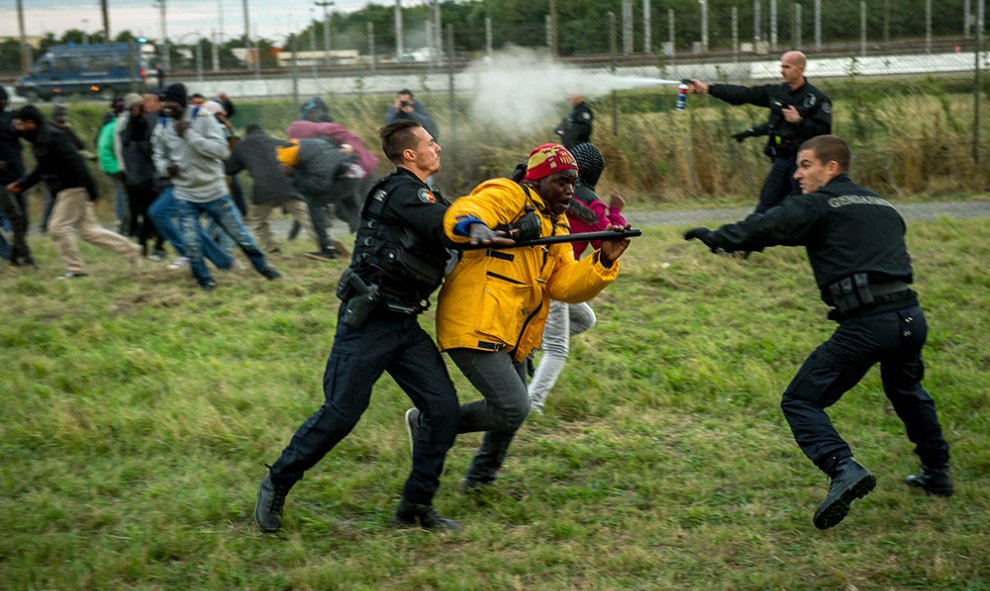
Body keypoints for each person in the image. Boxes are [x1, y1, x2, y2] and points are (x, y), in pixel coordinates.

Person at [683, 135, 953, 530]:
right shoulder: (882, 204)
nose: (797, 174)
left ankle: (842, 467)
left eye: (806, 165)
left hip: (868, 324)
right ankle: (938, 472)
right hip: (910, 318)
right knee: (908, 392)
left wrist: (719, 237)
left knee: (800, 400)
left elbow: (769, 224)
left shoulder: (820, 204)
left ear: (832, 167)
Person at [254, 120, 461, 532]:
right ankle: (277, 482)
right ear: (409, 155)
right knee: (341, 414)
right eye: (429, 142)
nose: (437, 146)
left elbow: (455, 230)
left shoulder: (425, 195)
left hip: (403, 323)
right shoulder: (402, 191)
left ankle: (415, 507)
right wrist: (483, 227)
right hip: (369, 321)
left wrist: (508, 228)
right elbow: (451, 226)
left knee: (442, 409)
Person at [420, 143, 631, 491]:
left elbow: (564, 285)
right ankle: (431, 423)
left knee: (511, 413)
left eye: (574, 182)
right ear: (537, 179)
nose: (570, 190)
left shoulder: (557, 222)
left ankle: (479, 481)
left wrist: (603, 262)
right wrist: (473, 227)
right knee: (514, 408)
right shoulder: (507, 193)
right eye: (562, 181)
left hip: (514, 330)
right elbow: (469, 208)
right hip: (475, 321)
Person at [527, 142, 626, 414]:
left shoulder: (548, 191)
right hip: (555, 276)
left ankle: (529, 348)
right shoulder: (590, 201)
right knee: (558, 349)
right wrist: (614, 210)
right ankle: (531, 405)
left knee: (585, 319)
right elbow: (606, 238)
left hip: (534, 270)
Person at [151, 82, 280, 290]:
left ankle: (264, 268)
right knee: (192, 244)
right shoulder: (162, 126)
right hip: (185, 195)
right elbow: (158, 155)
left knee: (241, 237)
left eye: (171, 102)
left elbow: (222, 151)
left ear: (181, 102)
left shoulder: (203, 118)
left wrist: (190, 135)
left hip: (215, 192)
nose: (166, 106)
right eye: (164, 101)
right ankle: (205, 281)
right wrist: (166, 168)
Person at [686, 51, 832, 214]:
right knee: (766, 203)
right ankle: (753, 235)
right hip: (781, 158)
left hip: (803, 162)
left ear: (800, 68)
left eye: (787, 67)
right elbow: (744, 94)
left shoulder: (817, 98)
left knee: (800, 206)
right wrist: (708, 88)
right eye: (781, 66)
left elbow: (824, 133)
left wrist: (799, 121)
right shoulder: (776, 92)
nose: (782, 71)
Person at [7, 105, 141, 278]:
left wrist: (93, 191)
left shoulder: (53, 137)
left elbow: (77, 163)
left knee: (58, 228)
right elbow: (42, 168)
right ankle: (132, 251)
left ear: (30, 123)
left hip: (73, 188)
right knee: (89, 231)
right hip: (67, 188)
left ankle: (76, 270)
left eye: (20, 124)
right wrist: (22, 185)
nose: (18, 129)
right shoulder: (38, 139)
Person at [225, 123, 317, 256]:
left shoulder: (242, 146)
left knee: (258, 221)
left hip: (263, 190)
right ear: (262, 132)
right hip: (286, 186)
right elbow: (295, 156)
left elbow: (230, 169)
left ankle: (273, 249)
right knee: (305, 218)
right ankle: (325, 243)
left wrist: (231, 153)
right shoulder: (277, 142)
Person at [275, 136, 360, 260]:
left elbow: (319, 186)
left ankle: (327, 250)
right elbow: (328, 141)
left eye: (287, 165)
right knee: (352, 210)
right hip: (350, 172)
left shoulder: (315, 164)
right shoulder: (305, 146)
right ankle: (368, 238)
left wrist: (294, 175)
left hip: (346, 179)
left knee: (314, 205)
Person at [120, 93, 167, 260]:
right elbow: (151, 149)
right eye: (146, 101)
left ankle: (144, 246)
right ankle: (156, 247)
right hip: (148, 177)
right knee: (155, 213)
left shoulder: (132, 124)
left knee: (146, 213)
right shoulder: (150, 122)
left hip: (136, 177)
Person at [0, 85, 33, 267]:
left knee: (24, 220)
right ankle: (26, 258)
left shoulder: (12, 117)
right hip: (1, 181)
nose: (2, 102)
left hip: (18, 175)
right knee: (15, 217)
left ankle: (15, 254)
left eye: (3, 99)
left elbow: (27, 134)